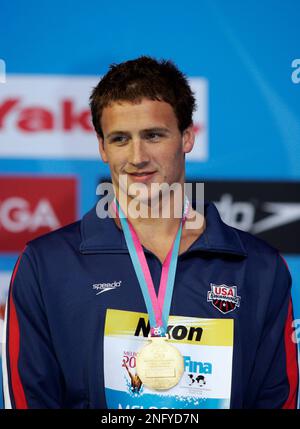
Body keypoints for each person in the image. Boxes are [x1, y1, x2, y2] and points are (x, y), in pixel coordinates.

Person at [2, 56, 299, 409]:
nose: (137, 156)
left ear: (187, 136)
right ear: (101, 148)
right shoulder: (46, 265)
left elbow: (275, 400)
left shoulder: (259, 268)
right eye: (120, 139)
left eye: (153, 135)